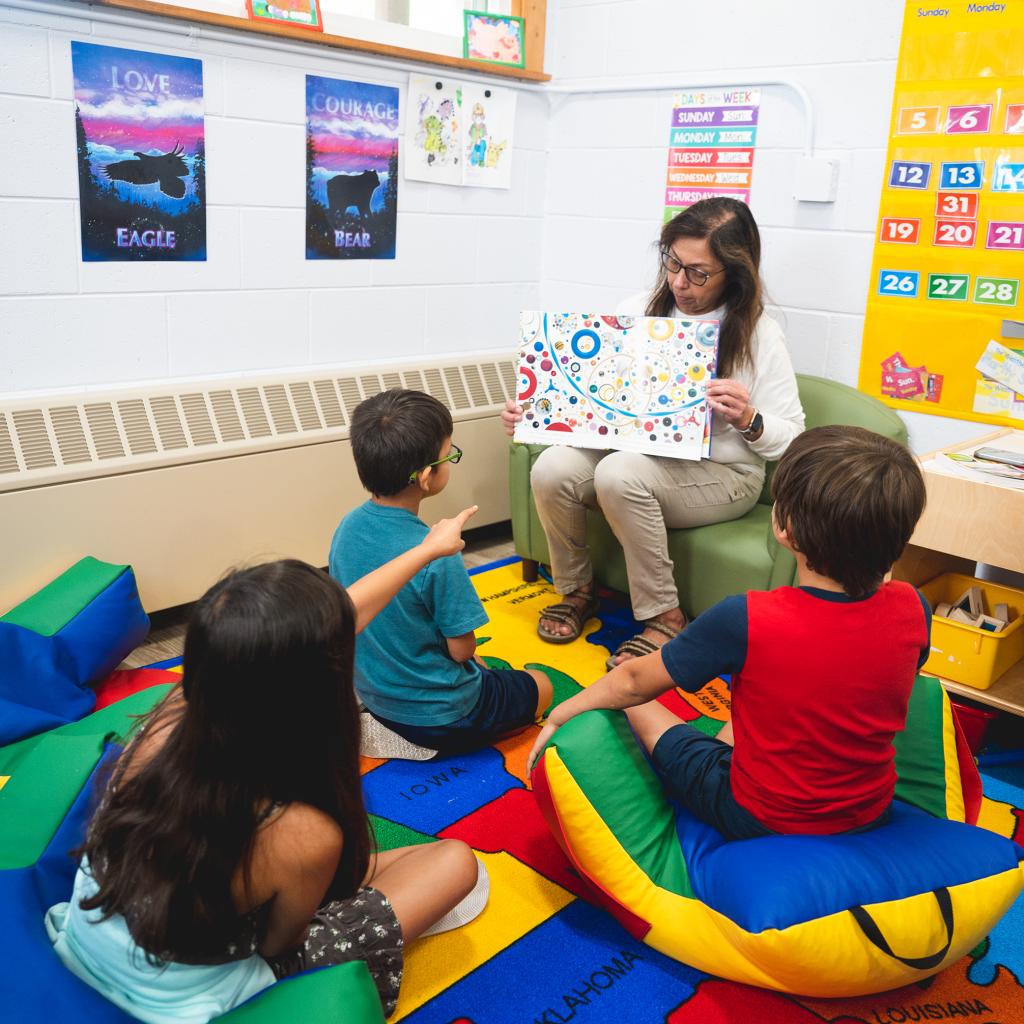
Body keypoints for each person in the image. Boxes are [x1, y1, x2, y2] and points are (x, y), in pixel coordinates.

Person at [47, 519, 486, 1023]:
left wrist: (427, 551)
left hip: (94, 936)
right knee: (454, 861)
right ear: (316, 696)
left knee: (353, 866)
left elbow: (338, 623)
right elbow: (281, 942)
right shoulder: (301, 831)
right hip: (185, 1000)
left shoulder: (175, 712)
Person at [528, 425, 931, 841]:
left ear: (783, 527)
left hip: (757, 814)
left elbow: (632, 682)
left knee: (631, 703)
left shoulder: (747, 617)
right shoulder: (914, 607)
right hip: (869, 809)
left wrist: (560, 712)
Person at [503, 197, 805, 668]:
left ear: (736, 273)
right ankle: (577, 591)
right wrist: (539, 414)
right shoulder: (638, 311)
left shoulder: (759, 335)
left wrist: (749, 419)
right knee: (552, 466)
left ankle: (666, 616)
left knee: (620, 473)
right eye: (673, 263)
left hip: (725, 475)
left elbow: (792, 439)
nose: (680, 283)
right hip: (636, 455)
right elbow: (596, 404)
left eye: (699, 273)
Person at [331, 388, 553, 755]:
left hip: (373, 688)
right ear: (425, 478)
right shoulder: (438, 554)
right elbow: (463, 651)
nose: (450, 461)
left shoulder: (347, 527)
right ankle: (418, 741)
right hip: (440, 716)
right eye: (449, 455)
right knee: (541, 685)